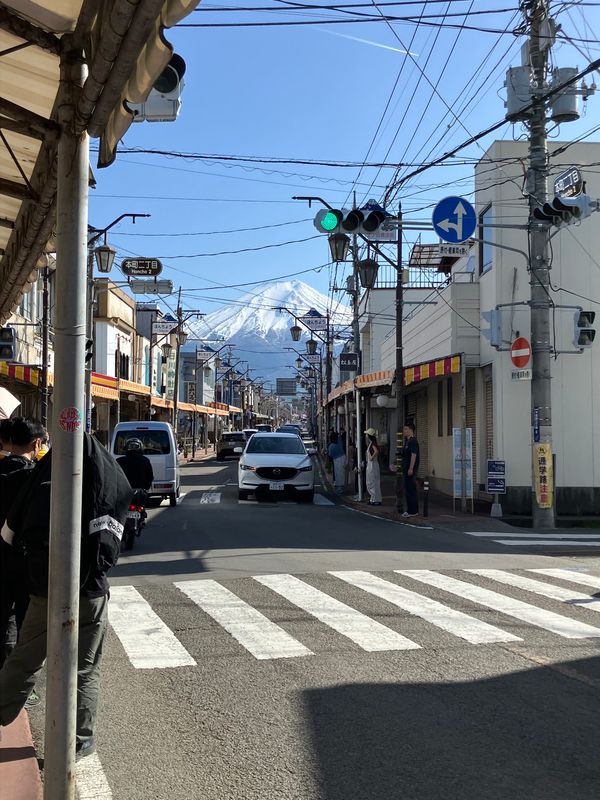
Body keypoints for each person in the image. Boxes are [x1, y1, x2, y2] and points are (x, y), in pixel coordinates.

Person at [0, 433, 133, 759]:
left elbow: (9, 533)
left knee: (25, 660)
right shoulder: (110, 474)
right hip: (93, 591)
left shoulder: (46, 473)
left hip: (48, 587)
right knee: (85, 670)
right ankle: (79, 742)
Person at [0, 418, 44, 671]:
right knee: (23, 620)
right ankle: (14, 679)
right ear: (36, 443)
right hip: (23, 560)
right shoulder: (33, 478)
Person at [402, 420, 420, 517]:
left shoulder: (413, 441)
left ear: (411, 430)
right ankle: (409, 510)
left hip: (410, 470)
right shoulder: (407, 441)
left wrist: (411, 468)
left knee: (411, 490)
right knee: (408, 490)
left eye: (406, 429)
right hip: (405, 469)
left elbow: (414, 455)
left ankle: (413, 511)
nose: (404, 431)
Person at [364, 428, 382, 505]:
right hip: (372, 464)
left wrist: (371, 457)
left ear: (369, 435)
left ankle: (375, 500)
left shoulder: (373, 443)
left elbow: (376, 451)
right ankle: (373, 499)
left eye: (367, 434)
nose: (366, 435)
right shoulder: (372, 443)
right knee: (372, 481)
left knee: (372, 482)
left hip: (372, 464)